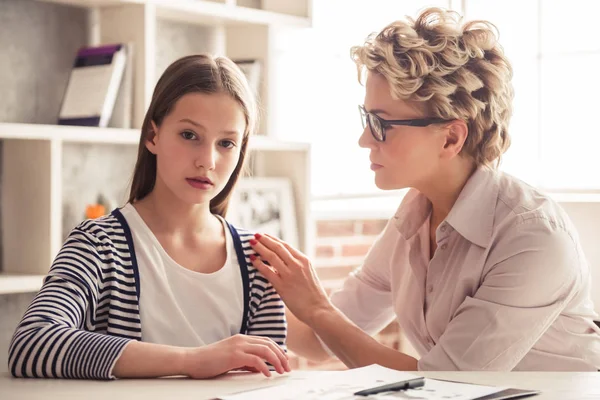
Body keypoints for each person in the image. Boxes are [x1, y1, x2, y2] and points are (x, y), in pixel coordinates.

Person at [249, 7, 600, 371]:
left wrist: (318, 308)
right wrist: (235, 288)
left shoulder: (533, 236)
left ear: (451, 137)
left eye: (381, 123)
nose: (364, 139)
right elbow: (321, 341)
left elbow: (445, 385)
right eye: (366, 118)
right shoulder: (415, 214)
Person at [8, 54, 290, 379]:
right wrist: (193, 361)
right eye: (189, 135)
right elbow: (31, 344)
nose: (207, 161)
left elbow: (266, 381)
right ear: (153, 136)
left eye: (226, 143)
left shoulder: (260, 260)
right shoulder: (99, 245)